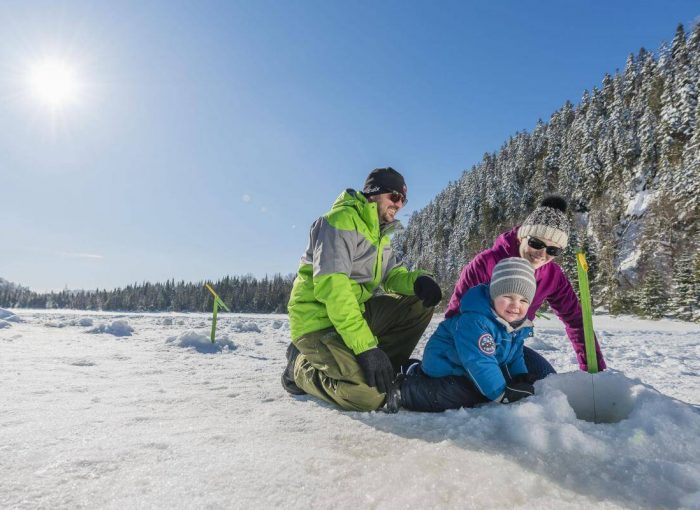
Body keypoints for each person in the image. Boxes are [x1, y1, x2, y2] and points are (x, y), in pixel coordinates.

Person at [282, 167, 443, 412]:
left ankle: (386, 367)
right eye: (395, 197)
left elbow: (393, 275)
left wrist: (418, 281)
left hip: (352, 315)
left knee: (418, 302)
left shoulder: (379, 234)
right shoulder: (339, 222)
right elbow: (334, 291)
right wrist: (366, 347)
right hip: (318, 324)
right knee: (367, 396)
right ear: (374, 193)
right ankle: (299, 367)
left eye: (404, 200)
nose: (399, 205)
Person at [444, 195, 606, 377]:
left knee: (546, 384)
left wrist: (596, 371)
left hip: (510, 350)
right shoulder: (486, 263)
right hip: (471, 347)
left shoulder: (553, 275)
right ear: (522, 237)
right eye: (536, 243)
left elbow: (577, 321)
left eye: (553, 250)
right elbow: (455, 315)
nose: (541, 254)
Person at [386, 257, 539, 413]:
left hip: (463, 368)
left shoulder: (516, 325)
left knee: (485, 384)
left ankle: (413, 369)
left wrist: (520, 376)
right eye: (508, 297)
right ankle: (404, 390)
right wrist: (501, 393)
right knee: (465, 394)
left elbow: (515, 355)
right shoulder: (476, 321)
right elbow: (479, 361)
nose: (516, 305)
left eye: (523, 300)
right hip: (445, 365)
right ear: (493, 294)